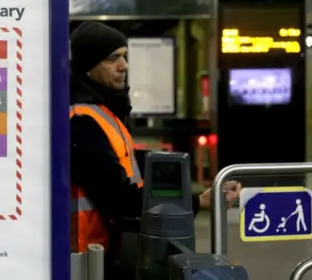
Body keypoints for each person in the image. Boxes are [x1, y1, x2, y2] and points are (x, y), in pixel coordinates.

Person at [69, 21, 241, 277]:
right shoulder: (82, 121)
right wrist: (196, 202)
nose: (123, 66)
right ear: (89, 67)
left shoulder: (104, 112)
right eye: (112, 58)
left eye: (125, 56)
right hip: (89, 257)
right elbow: (119, 198)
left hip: (106, 248)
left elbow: (125, 175)